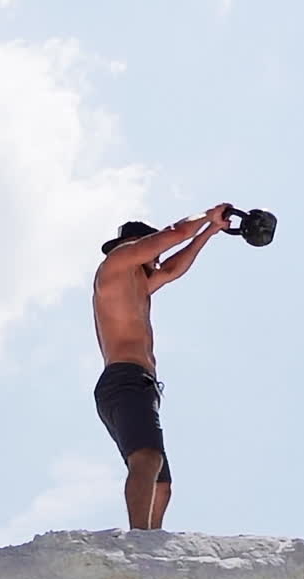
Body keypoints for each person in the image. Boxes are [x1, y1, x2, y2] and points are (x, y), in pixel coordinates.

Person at [92, 204, 232, 530]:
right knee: (147, 459)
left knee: (161, 484)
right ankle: (139, 539)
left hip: (140, 385)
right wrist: (208, 216)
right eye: (152, 252)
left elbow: (171, 270)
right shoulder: (115, 266)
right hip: (123, 380)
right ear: (138, 245)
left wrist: (211, 232)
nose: (156, 261)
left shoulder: (137, 284)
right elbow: (176, 234)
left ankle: (151, 546)